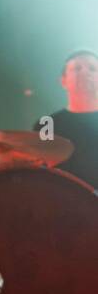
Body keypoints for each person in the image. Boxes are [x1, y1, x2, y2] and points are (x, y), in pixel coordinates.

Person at [39, 49, 98, 189]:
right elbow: (41, 173)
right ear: (63, 81)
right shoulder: (48, 124)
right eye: (77, 68)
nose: (85, 72)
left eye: (92, 68)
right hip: (62, 204)